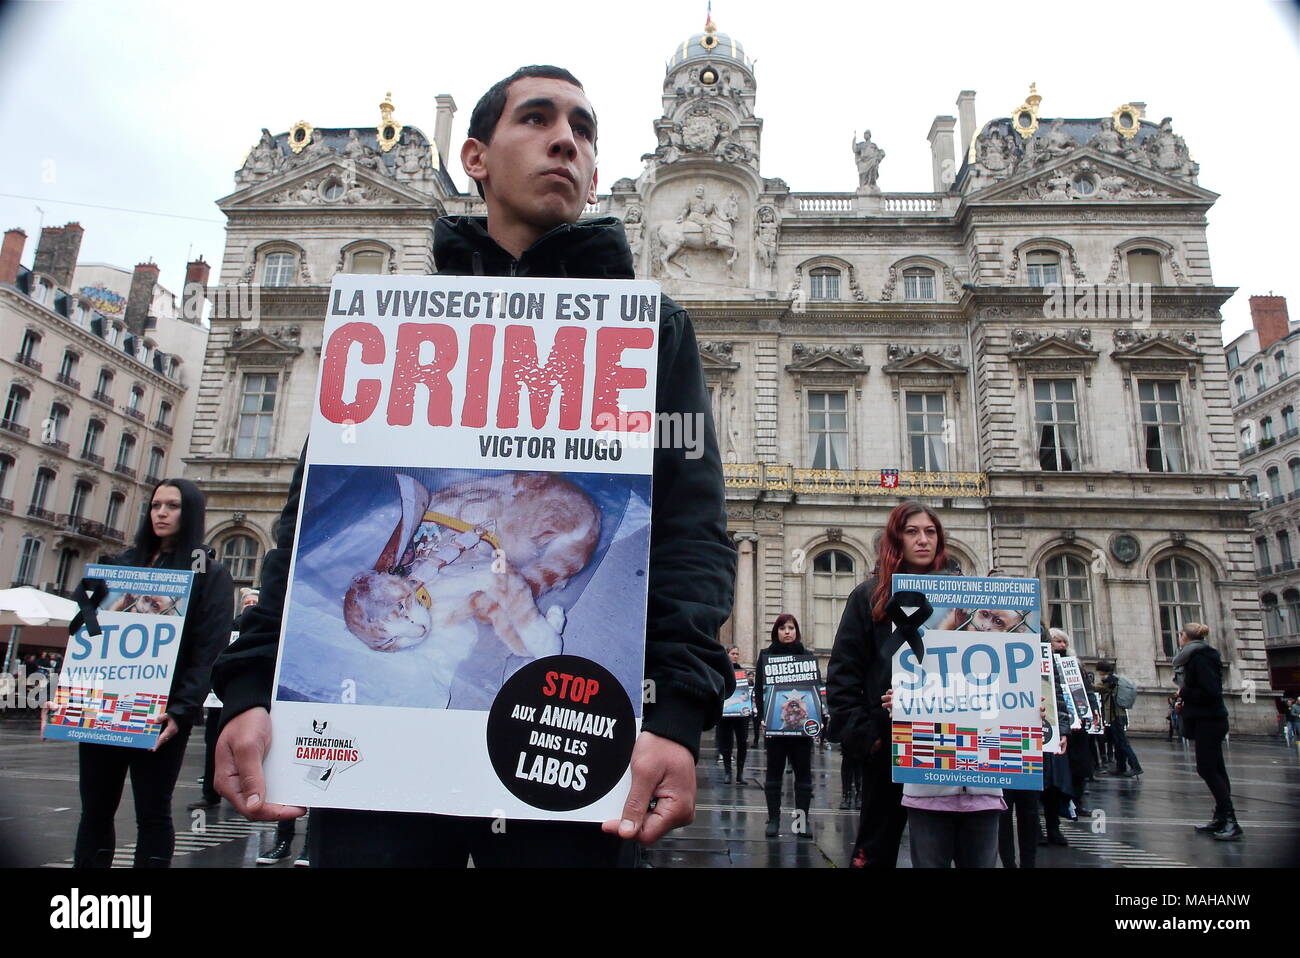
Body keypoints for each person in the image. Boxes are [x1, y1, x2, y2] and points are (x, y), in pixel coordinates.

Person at [212, 65, 736, 867]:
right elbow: (305, 513)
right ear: (476, 157)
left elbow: (692, 531)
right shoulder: (398, 316)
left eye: (585, 130)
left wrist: (678, 712)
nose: (568, 139)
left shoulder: (651, 328)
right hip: (384, 772)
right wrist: (251, 683)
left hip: (568, 754)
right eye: (538, 118)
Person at [72, 479, 234, 867]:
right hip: (104, 705)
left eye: (173, 506)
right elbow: (85, 635)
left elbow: (207, 651)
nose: (161, 513)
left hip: (160, 711)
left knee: (153, 813)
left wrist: (181, 710)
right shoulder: (122, 564)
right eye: (156, 505)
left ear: (190, 512)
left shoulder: (208, 573)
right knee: (94, 812)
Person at [827, 501, 960, 868]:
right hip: (887, 744)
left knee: (944, 849)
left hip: (950, 742)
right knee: (876, 846)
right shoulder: (869, 597)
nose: (923, 540)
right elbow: (843, 672)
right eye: (912, 531)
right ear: (895, 539)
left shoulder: (961, 599)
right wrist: (867, 736)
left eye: (930, 532)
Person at [190, 588, 260, 812]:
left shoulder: (260, 628)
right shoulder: (228, 627)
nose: (249, 605)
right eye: (246, 602)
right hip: (218, 698)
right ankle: (211, 793)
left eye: (253, 602)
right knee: (214, 744)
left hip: (245, 696)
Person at [1174, 622, 1242, 840]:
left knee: (1208, 769)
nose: (1179, 638)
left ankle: (1230, 820)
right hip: (1209, 718)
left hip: (1209, 720)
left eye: (1181, 634)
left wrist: (1184, 692)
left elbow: (1210, 691)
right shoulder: (1201, 656)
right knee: (1216, 768)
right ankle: (1221, 816)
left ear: (1186, 638)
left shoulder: (1200, 658)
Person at [755, 614, 815, 839]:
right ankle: (774, 819)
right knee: (773, 774)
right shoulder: (765, 656)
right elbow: (759, 690)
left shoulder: (807, 656)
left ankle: (801, 822)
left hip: (801, 731)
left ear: (796, 631)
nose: (787, 632)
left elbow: (812, 693)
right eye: (782, 628)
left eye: (791, 627)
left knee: (803, 776)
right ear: (776, 632)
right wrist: (761, 716)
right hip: (776, 728)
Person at [1094, 660, 1143, 777]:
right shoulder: (1114, 679)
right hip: (1117, 716)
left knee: (1123, 743)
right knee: (1118, 742)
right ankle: (1121, 767)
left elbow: (1097, 688)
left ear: (1101, 671)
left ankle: (1136, 766)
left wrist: (1083, 682)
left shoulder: (1109, 681)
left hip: (1116, 716)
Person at [716, 646, 750, 784]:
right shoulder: (721, 671)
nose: (735, 656)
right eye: (733, 653)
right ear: (727, 655)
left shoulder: (742, 671)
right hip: (725, 713)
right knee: (726, 743)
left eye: (737, 653)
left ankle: (740, 773)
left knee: (742, 742)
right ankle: (728, 772)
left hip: (741, 715)